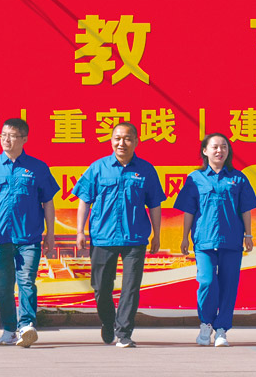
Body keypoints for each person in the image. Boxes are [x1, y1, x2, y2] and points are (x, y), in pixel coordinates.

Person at [0, 118, 59, 348]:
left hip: (28, 237)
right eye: (3, 135)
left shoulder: (38, 167)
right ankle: (9, 329)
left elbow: (48, 202)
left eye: (11, 135)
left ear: (24, 139)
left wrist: (50, 233)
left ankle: (26, 325)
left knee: (26, 281)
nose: (5, 139)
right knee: (2, 286)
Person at [72, 122, 165, 348]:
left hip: (135, 237)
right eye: (117, 138)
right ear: (111, 140)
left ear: (136, 142)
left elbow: (154, 204)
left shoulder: (146, 170)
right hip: (103, 237)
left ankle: (124, 333)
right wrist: (80, 231)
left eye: (127, 138)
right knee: (101, 287)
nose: (121, 143)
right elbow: (84, 200)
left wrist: (157, 235)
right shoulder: (98, 168)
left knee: (131, 287)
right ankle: (108, 321)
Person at [174, 133, 256, 347]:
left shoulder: (238, 178)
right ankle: (206, 324)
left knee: (229, 285)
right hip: (204, 240)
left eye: (224, 147)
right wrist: (184, 237)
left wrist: (248, 235)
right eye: (215, 147)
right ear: (205, 151)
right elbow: (189, 210)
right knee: (207, 282)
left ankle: (221, 330)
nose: (219, 151)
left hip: (232, 239)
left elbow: (245, 210)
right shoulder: (195, 178)